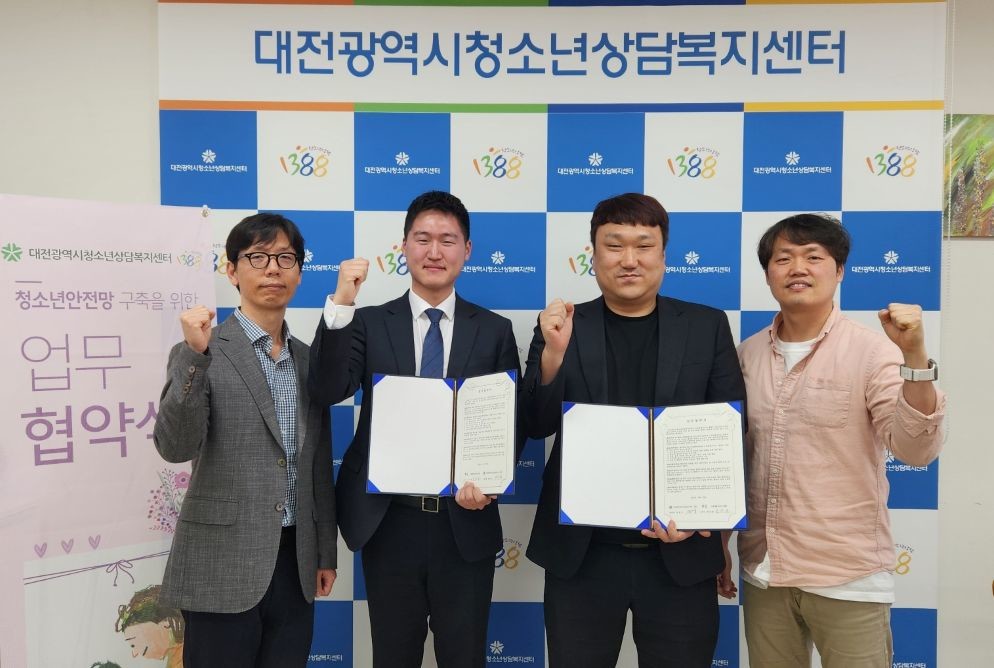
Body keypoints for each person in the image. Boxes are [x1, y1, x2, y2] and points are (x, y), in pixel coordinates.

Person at [521, 192, 745, 667]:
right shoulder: (561, 326)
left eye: (644, 246)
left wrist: (706, 519)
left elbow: (730, 433)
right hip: (582, 556)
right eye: (614, 245)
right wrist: (553, 356)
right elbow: (535, 426)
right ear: (593, 254)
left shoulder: (706, 326)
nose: (629, 260)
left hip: (679, 555)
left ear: (663, 255)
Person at [309, 190, 521, 668]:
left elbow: (509, 423)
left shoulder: (494, 330)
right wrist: (342, 302)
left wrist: (490, 481)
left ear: (467, 249)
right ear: (403, 246)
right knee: (393, 655)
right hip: (389, 521)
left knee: (464, 657)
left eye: (448, 240)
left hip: (464, 522)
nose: (434, 251)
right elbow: (326, 388)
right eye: (422, 239)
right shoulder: (365, 323)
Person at [736, 212, 945, 667]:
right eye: (783, 258)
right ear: (767, 274)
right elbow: (732, 462)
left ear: (840, 270)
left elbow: (916, 450)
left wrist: (914, 355)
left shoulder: (873, 351)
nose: (798, 268)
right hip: (764, 571)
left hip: (848, 575)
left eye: (813, 257)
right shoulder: (745, 355)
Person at [153, 213, 337, 668]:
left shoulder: (310, 361)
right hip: (221, 561)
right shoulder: (201, 349)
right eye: (257, 257)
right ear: (232, 270)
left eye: (285, 258)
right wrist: (195, 357)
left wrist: (324, 550)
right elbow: (175, 447)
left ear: (299, 272)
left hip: (295, 561)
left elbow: (318, 464)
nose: (272, 268)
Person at [115, 585, 183, 667]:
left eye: (133, 644)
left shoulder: (182, 658)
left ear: (166, 624)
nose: (134, 653)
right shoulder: (174, 659)